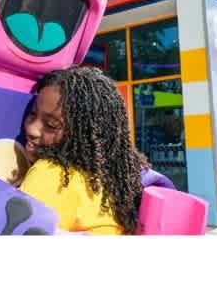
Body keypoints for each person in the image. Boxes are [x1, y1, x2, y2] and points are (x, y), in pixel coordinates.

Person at [18, 66, 150, 235]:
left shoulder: (50, 173)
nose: (32, 129)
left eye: (51, 125)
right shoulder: (121, 181)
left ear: (87, 133)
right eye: (32, 113)